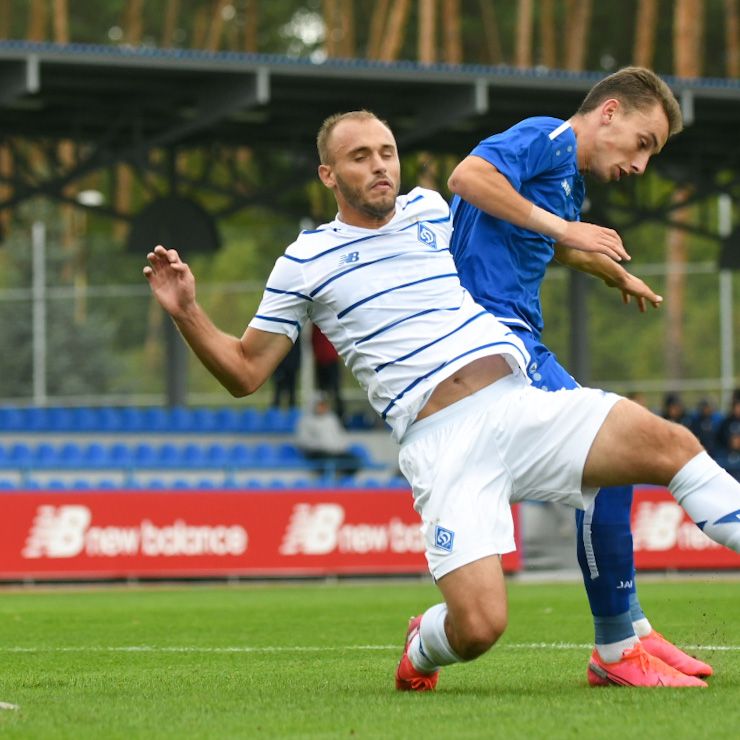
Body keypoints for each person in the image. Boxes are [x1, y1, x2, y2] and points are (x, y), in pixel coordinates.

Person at [144, 110, 740, 693]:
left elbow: (511, 231)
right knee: (480, 628)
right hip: (442, 446)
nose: (380, 167)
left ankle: (621, 640)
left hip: (516, 403)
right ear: (328, 175)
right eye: (360, 157)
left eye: (387, 153)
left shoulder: (429, 210)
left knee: (669, 443)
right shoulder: (303, 261)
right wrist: (188, 312)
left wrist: (597, 265)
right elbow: (246, 372)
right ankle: (421, 643)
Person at [447, 67, 713, 686]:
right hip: (491, 346)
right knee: (614, 453)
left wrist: (607, 270)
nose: (642, 164)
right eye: (643, 142)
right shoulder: (548, 137)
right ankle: (617, 647)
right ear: (610, 112)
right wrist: (566, 228)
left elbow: (543, 241)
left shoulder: (564, 181)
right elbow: (468, 177)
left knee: (614, 463)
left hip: (515, 345)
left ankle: (632, 631)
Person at [296, 392, 362, 477]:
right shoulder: (305, 421)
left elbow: (341, 436)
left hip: (335, 453)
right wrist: (322, 445)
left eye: (324, 405)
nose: (323, 407)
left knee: (353, 460)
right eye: (320, 405)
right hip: (317, 453)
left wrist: (339, 447)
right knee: (328, 461)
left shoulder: (331, 419)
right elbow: (303, 442)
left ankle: (341, 480)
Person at [312, 324, 345, 420]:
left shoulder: (329, 323)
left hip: (331, 360)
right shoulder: (316, 325)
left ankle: (340, 415)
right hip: (322, 359)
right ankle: (322, 414)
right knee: (322, 391)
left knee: (335, 390)